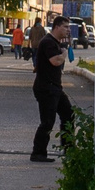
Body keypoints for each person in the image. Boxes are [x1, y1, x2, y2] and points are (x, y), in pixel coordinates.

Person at [30, 15, 73, 162]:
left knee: (68, 114)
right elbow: (55, 61)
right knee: (47, 122)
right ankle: (38, 153)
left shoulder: (54, 43)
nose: (68, 30)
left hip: (55, 88)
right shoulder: (48, 42)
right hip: (46, 89)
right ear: (56, 27)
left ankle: (69, 148)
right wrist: (64, 54)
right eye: (65, 27)